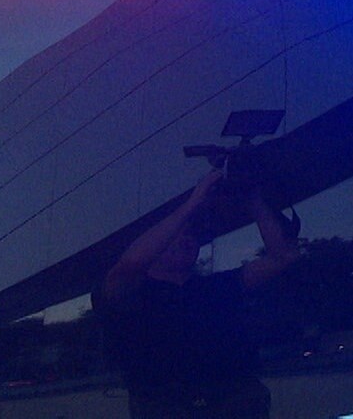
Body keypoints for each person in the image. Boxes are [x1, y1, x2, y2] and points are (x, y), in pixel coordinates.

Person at [97, 167, 301, 418]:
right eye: (175, 235)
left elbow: (283, 256)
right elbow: (130, 264)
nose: (187, 240)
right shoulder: (131, 293)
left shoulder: (217, 287)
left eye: (192, 236)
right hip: (167, 408)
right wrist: (194, 202)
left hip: (237, 404)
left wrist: (253, 198)